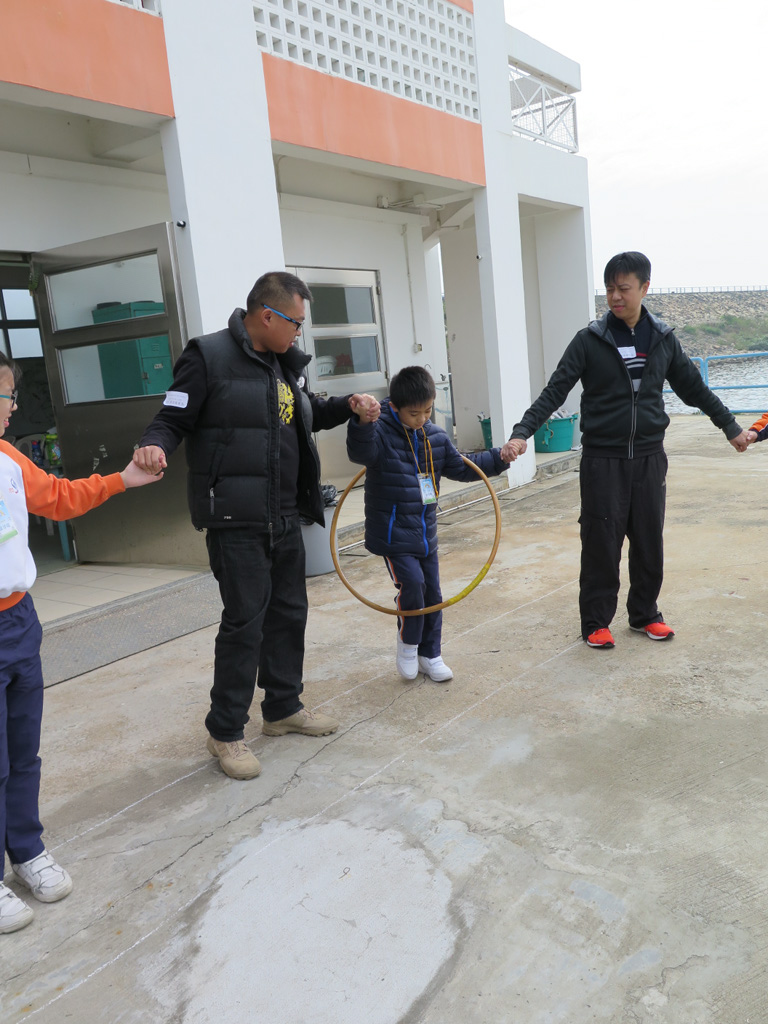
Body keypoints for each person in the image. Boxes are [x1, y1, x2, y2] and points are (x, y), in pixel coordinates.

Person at [133, 272, 380, 781]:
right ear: (267, 315)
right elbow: (172, 416)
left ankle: (283, 708)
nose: (300, 333)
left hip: (285, 514)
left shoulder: (285, 364)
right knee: (245, 624)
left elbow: (304, 416)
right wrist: (154, 443)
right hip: (235, 519)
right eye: (296, 323)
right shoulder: (208, 356)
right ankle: (225, 731)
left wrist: (349, 407)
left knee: (289, 614)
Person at [501, 251, 750, 649]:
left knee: (649, 541)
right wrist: (521, 433)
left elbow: (694, 389)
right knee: (601, 542)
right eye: (609, 289)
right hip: (603, 460)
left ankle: (646, 614)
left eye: (623, 288)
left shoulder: (663, 339)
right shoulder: (589, 340)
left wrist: (731, 428)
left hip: (650, 458)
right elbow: (555, 390)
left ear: (644, 288)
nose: (615, 297)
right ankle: (596, 622)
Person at [0, 353, 162, 934]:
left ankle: (27, 850)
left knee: (23, 753)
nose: (12, 407)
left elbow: (60, 497)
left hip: (18, 622)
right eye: (5, 396)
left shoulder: (8, 458)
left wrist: (123, 479)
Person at [347, 365, 508, 682]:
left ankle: (430, 654)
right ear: (395, 407)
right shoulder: (380, 433)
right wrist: (363, 422)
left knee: (432, 593)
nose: (422, 419)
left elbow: (463, 467)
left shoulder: (435, 436)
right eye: (414, 413)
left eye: (428, 411)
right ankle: (408, 646)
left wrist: (499, 457)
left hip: (425, 534)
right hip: (393, 534)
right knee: (413, 585)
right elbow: (359, 451)